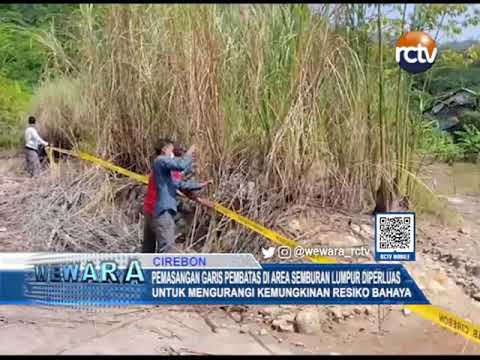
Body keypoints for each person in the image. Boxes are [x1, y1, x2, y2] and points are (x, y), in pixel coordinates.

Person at [152, 139, 212, 253]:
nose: (172, 152)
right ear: (164, 149)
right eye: (171, 148)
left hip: (167, 211)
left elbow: (179, 184)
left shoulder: (165, 172)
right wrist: (190, 152)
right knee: (168, 249)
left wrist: (201, 184)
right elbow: (181, 165)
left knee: (168, 245)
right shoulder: (160, 161)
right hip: (163, 211)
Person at [141, 143, 188, 253]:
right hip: (161, 213)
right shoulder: (167, 166)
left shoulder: (157, 167)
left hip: (149, 210)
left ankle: (146, 269)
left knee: (148, 249)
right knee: (167, 251)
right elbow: (178, 184)